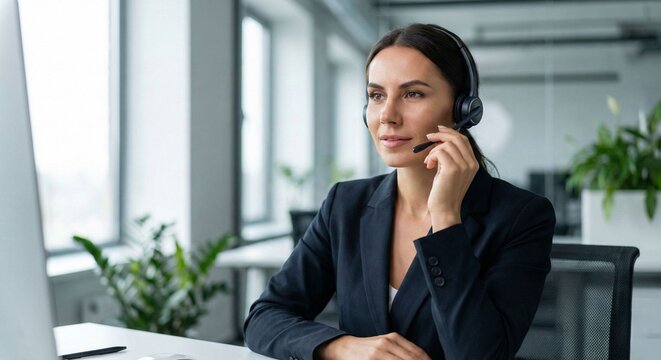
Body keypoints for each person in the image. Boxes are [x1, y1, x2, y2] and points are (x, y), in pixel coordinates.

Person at [244, 23, 555, 360]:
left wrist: (447, 219)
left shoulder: (521, 217)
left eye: (413, 94)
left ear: (462, 109)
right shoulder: (345, 204)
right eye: (377, 95)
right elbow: (263, 318)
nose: (387, 116)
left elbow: (480, 355)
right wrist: (344, 347)